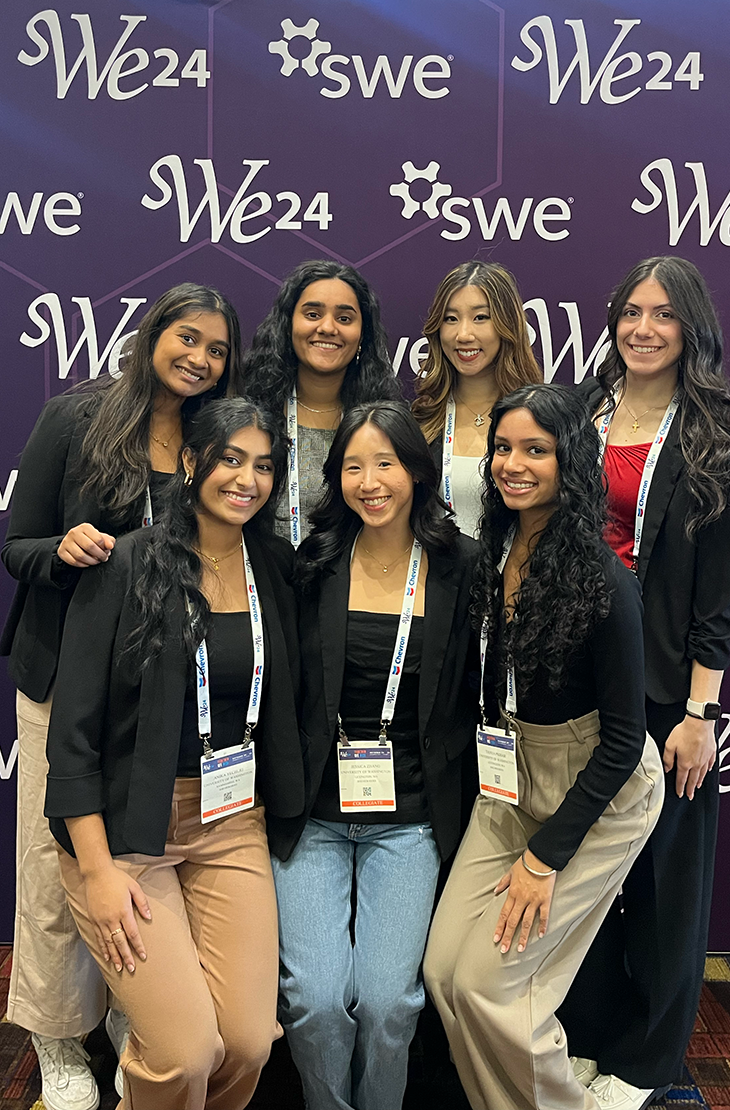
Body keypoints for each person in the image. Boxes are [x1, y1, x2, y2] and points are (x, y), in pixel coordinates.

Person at [0, 283, 240, 1110]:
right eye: (187, 337)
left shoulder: (215, 436)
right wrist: (61, 550)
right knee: (56, 860)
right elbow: (15, 546)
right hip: (67, 679)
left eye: (216, 348)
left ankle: (132, 1007)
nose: (200, 358)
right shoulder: (77, 418)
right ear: (153, 333)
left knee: (132, 858)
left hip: (164, 692)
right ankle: (58, 1038)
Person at [44, 398, 303, 1110]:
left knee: (250, 1040)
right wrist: (97, 869)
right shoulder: (125, 562)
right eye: (229, 458)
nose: (246, 478)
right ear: (191, 462)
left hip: (231, 820)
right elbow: (71, 735)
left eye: (262, 465)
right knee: (186, 1049)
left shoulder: (274, 565)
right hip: (127, 831)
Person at [424, 384, 664, 1110]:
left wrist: (543, 858)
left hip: (599, 791)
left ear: (571, 461)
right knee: (444, 973)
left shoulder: (603, 578)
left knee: (495, 988)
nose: (513, 464)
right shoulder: (490, 553)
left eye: (537, 450)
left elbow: (624, 740)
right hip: (509, 781)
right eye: (502, 447)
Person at [557, 257, 730, 1110]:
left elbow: (719, 595)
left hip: (666, 689)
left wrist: (700, 712)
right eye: (630, 310)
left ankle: (646, 1061)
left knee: (664, 882)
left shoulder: (715, 438)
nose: (643, 327)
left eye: (663, 315)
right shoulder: (577, 413)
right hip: (572, 673)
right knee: (585, 876)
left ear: (692, 331)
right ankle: (589, 1035)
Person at [271, 401, 479, 1110]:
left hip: (412, 816)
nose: (370, 480)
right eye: (353, 465)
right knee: (319, 999)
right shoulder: (314, 565)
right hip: (316, 815)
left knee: (392, 1002)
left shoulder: (460, 568)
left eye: (385, 462)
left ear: (417, 472)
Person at [243, 260, 402, 546]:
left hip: (355, 584)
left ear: (363, 334)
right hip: (260, 583)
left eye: (344, 318)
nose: (328, 328)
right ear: (288, 324)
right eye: (313, 314)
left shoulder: (384, 423)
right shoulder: (249, 413)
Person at [412, 261, 541, 538]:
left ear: (508, 325)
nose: (463, 334)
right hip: (439, 577)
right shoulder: (421, 420)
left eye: (480, 317)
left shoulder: (541, 418)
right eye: (450, 318)